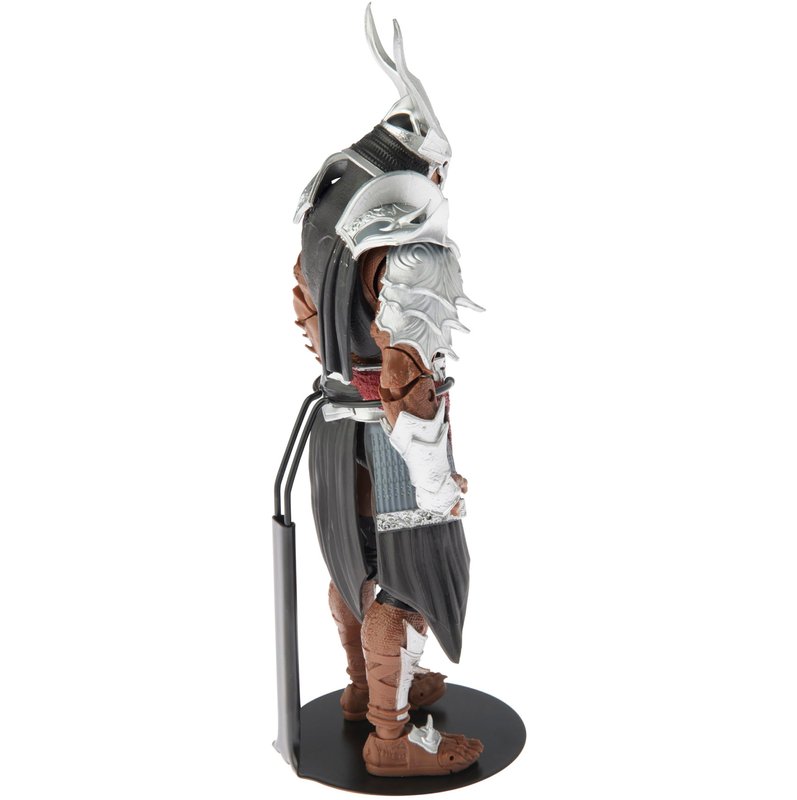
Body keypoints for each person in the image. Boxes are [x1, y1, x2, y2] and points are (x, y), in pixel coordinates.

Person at [290, 5, 484, 777]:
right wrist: (439, 485)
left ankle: (364, 689)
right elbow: (407, 377)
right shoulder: (415, 250)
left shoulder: (322, 220)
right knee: (404, 584)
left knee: (352, 565)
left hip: (332, 424)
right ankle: (391, 735)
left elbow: (307, 314)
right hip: (388, 434)